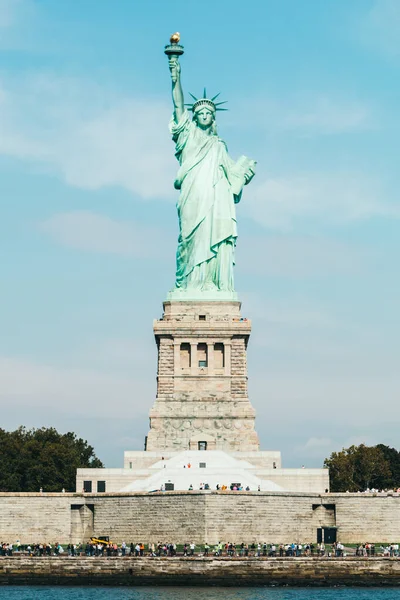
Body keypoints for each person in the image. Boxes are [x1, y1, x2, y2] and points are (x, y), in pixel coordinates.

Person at [167, 53, 256, 294]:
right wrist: (175, 76)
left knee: (210, 237)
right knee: (189, 240)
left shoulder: (218, 146)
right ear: (194, 118)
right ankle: (188, 284)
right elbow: (177, 106)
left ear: (213, 118)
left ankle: (210, 282)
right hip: (192, 196)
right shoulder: (187, 136)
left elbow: (233, 176)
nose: (204, 116)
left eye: (209, 114)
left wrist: (245, 171)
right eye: (200, 114)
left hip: (214, 201)